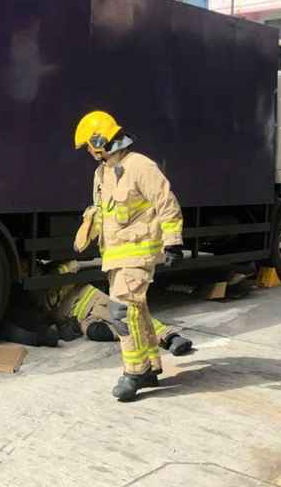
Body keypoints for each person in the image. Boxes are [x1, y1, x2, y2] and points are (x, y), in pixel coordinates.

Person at [73, 111, 185, 401]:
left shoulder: (139, 166)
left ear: (100, 140)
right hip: (115, 257)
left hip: (139, 254)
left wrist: (173, 243)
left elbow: (166, 202)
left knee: (121, 311)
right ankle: (149, 367)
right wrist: (90, 225)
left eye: (88, 145)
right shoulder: (101, 173)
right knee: (137, 312)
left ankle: (134, 372)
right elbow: (104, 212)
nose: (88, 151)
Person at [36, 260, 193, 354]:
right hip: (83, 320)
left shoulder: (54, 272)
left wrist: (56, 274)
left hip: (95, 302)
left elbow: (73, 264)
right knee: (96, 332)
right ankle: (124, 336)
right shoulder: (40, 300)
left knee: (128, 318)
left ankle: (171, 337)